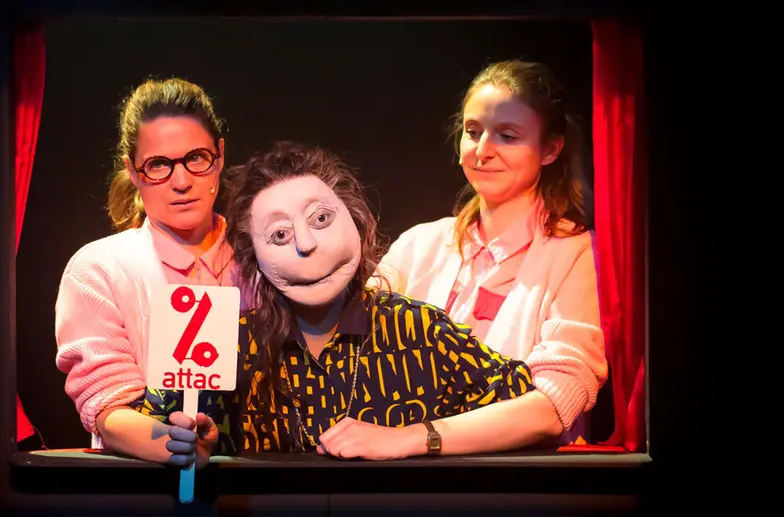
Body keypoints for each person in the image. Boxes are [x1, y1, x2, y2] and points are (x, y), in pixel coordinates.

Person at [138, 141, 565, 467]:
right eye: (280, 235)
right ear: (254, 257)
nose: (307, 244)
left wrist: (414, 437)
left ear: (356, 220)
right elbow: (148, 424)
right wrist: (189, 444)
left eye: (322, 219)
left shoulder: (420, 331)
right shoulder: (226, 344)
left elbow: (543, 416)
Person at [371, 60, 608, 444]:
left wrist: (419, 438)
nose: (482, 150)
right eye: (472, 132)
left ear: (550, 149)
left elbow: (556, 402)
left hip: (519, 475)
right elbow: (348, 344)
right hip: (404, 470)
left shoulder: (576, 253)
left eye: (507, 136)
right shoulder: (418, 245)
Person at [54, 77, 243, 467]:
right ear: (133, 171)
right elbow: (106, 405)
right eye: (158, 165)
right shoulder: (99, 269)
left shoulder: (263, 259)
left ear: (220, 155)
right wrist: (176, 444)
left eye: (196, 158)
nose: (181, 181)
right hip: (146, 488)